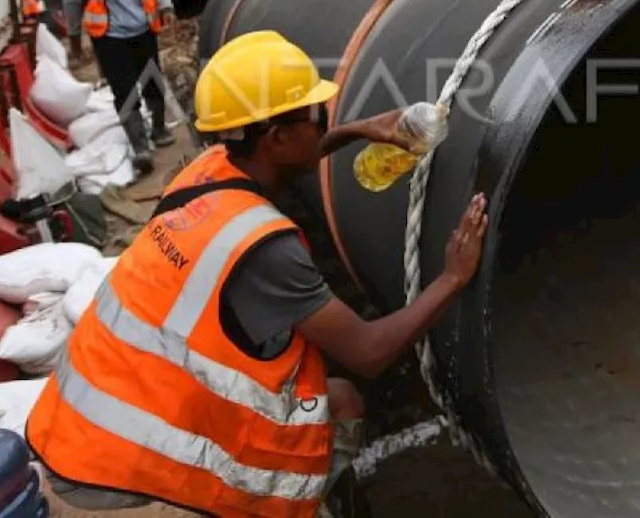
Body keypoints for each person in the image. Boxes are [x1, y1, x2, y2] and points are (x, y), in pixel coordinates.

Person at [26, 29, 490, 517]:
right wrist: (452, 276)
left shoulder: (206, 172)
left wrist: (358, 129)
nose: (323, 123)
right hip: (129, 483)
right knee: (324, 417)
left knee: (341, 400)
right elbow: (369, 351)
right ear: (277, 137)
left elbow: (289, 155)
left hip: (79, 429)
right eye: (318, 116)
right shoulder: (266, 249)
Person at [62, 0, 176, 171]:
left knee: (152, 80)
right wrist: (74, 37)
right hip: (109, 37)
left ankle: (160, 130)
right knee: (124, 92)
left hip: (143, 28)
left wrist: (166, 7)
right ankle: (139, 147)